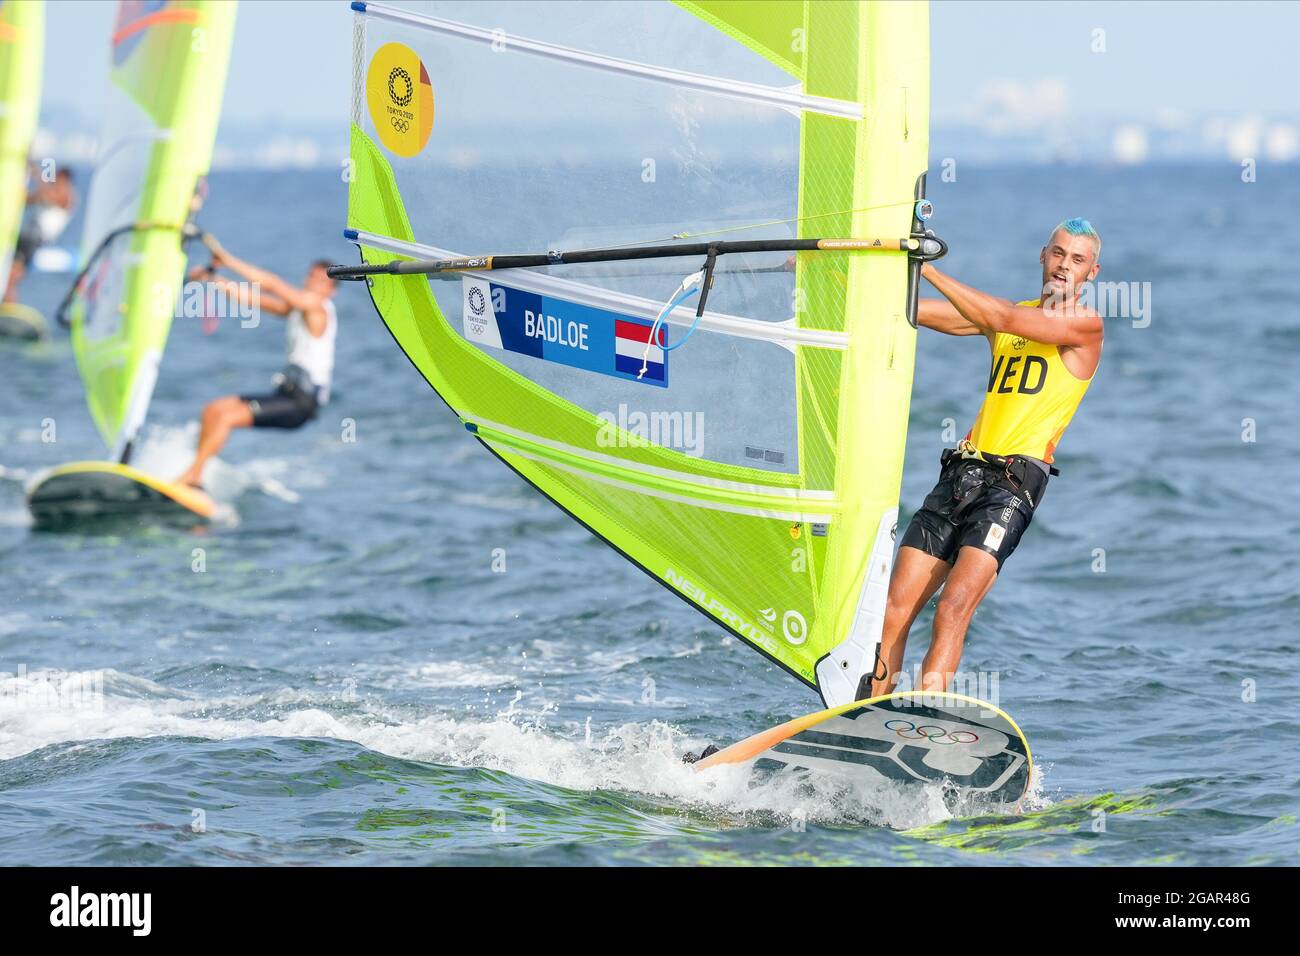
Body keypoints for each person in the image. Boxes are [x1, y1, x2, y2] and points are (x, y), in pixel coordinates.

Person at [867, 217, 1105, 696]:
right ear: (1043, 256)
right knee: (894, 608)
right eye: (1058, 253)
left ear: (1091, 273)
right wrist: (852, 274)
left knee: (953, 606)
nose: (1064, 266)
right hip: (962, 474)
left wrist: (926, 267)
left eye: (1077, 260)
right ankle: (866, 714)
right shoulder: (1013, 314)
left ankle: (926, 717)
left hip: (1011, 488)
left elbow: (999, 319)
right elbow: (915, 311)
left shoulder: (1084, 326)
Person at [175, 237, 337, 488]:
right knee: (213, 409)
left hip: (301, 404)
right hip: (285, 394)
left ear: (331, 290)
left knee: (226, 418)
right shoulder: (297, 309)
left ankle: (193, 476)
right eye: (310, 277)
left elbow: (272, 284)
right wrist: (213, 280)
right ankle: (196, 474)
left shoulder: (319, 308)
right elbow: (253, 300)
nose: (311, 283)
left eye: (319, 280)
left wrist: (228, 260)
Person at [4, 166, 76, 304]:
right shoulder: (53, 191)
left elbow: (48, 195)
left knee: (12, 276)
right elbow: (29, 199)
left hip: (35, 239)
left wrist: (37, 175)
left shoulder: (66, 193)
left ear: (65, 179)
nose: (55, 181)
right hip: (28, 235)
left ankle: (9, 308)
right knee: (8, 273)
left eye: (58, 178)